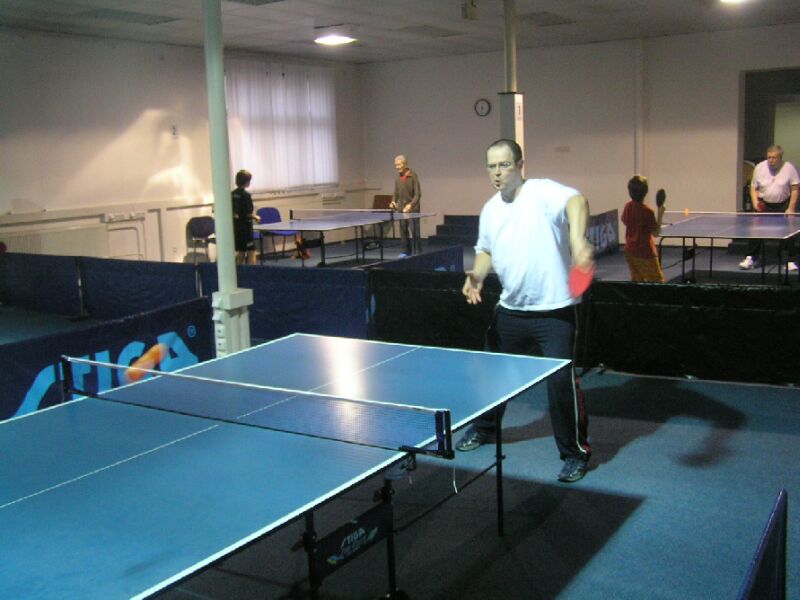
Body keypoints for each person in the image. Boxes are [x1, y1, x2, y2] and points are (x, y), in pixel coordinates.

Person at [456, 139, 593, 483]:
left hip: (555, 311)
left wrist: (577, 240)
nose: (497, 173)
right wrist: (477, 276)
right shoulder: (490, 209)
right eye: (491, 166)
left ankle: (575, 453)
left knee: (560, 384)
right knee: (491, 374)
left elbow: (577, 202)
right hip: (511, 310)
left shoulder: (542, 193)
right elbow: (485, 251)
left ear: (519, 165)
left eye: (504, 165)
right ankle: (484, 427)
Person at [739, 145, 800, 271]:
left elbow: (795, 188)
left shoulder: (789, 168)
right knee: (756, 231)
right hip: (764, 204)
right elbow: (753, 187)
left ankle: (789, 260)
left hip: (783, 204)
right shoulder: (759, 168)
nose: (771, 160)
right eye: (769, 157)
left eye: (774, 158)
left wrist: (791, 208)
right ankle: (750, 258)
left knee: (787, 233)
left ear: (780, 158)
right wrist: (755, 202)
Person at [621, 175, 666, 282]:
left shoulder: (627, 206)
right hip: (645, 253)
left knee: (637, 282)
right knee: (658, 284)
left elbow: (624, 221)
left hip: (630, 251)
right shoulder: (647, 212)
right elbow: (656, 233)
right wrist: (660, 213)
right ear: (645, 192)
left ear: (629, 192)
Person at [389, 155, 422, 256]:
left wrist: (410, 205)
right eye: (396, 165)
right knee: (403, 232)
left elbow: (418, 195)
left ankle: (417, 253)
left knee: (415, 232)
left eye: (399, 165)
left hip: (413, 210)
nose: (397, 167)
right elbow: (396, 193)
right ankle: (405, 252)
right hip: (401, 210)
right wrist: (393, 202)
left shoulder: (413, 176)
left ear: (405, 164)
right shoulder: (397, 178)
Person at [231, 169, 260, 265]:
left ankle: (236, 271)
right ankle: (252, 271)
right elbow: (248, 213)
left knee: (241, 251)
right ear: (246, 182)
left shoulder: (232, 194)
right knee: (251, 251)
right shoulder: (245, 195)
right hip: (245, 228)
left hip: (236, 227)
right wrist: (256, 217)